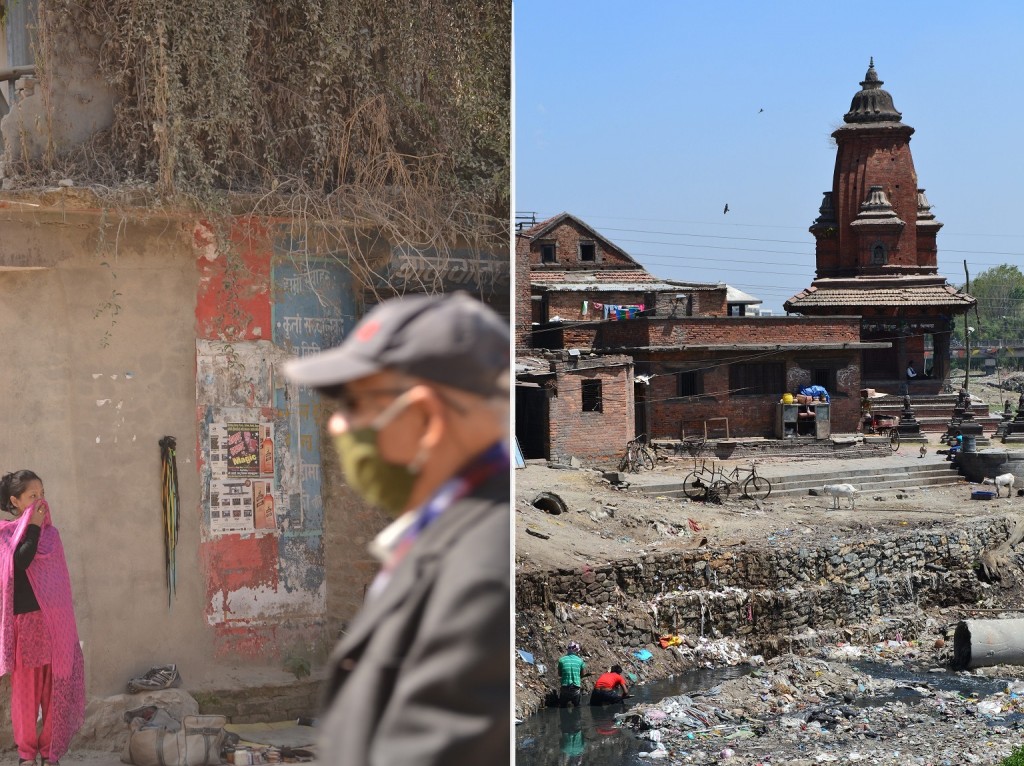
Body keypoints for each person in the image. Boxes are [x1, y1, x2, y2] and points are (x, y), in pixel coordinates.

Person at [283, 292, 510, 765]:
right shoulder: (439, 542)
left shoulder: (481, 573)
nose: (340, 426)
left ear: (426, 417)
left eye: (357, 404)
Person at [0, 470, 86, 766]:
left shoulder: (52, 536)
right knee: (25, 694)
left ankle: (51, 754)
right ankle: (26, 755)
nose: (40, 502)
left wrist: (38, 528)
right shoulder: (6, 536)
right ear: (15, 501)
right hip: (25, 626)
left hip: (54, 626)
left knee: (54, 691)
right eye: (32, 496)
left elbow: (59, 585)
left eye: (42, 494)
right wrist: (33, 527)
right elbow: (22, 560)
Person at [557, 641, 586, 708]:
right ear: (576, 651)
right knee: (577, 709)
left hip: (565, 688)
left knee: (563, 708)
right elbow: (582, 674)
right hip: (575, 689)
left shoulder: (561, 660)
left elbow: (559, 674)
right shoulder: (580, 660)